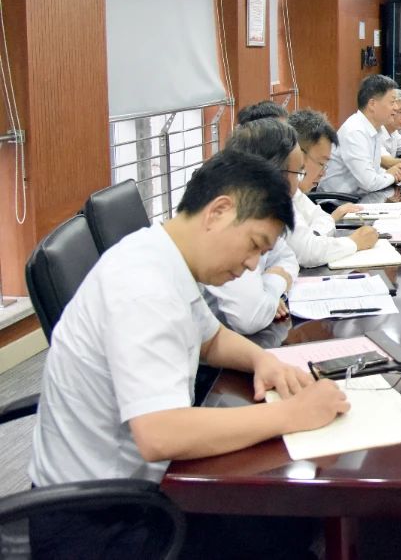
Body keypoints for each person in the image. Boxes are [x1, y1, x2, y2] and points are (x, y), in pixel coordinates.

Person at [28, 150, 348, 558]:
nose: (252, 265)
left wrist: (263, 360)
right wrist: (293, 414)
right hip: (100, 524)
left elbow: (210, 339)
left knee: (293, 515)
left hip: (130, 492)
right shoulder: (143, 287)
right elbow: (160, 434)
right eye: (254, 246)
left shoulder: (161, 253)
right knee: (291, 525)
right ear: (218, 211)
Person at [203, 119, 302, 334]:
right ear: (275, 175)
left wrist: (266, 290)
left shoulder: (262, 211)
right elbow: (250, 317)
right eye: (298, 173)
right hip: (217, 343)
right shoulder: (230, 219)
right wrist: (276, 282)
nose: (299, 184)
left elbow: (288, 259)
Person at [286, 108, 379, 267]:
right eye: (321, 163)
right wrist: (354, 242)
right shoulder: (277, 191)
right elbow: (307, 253)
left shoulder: (295, 192)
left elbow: (323, 219)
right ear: (298, 154)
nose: (323, 173)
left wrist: (315, 235)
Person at [318, 74, 401, 194]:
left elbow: (374, 172)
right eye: (392, 102)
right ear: (372, 104)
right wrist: (392, 175)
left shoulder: (374, 129)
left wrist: (395, 172)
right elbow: (369, 183)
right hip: (338, 202)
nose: (396, 108)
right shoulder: (355, 131)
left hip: (360, 197)